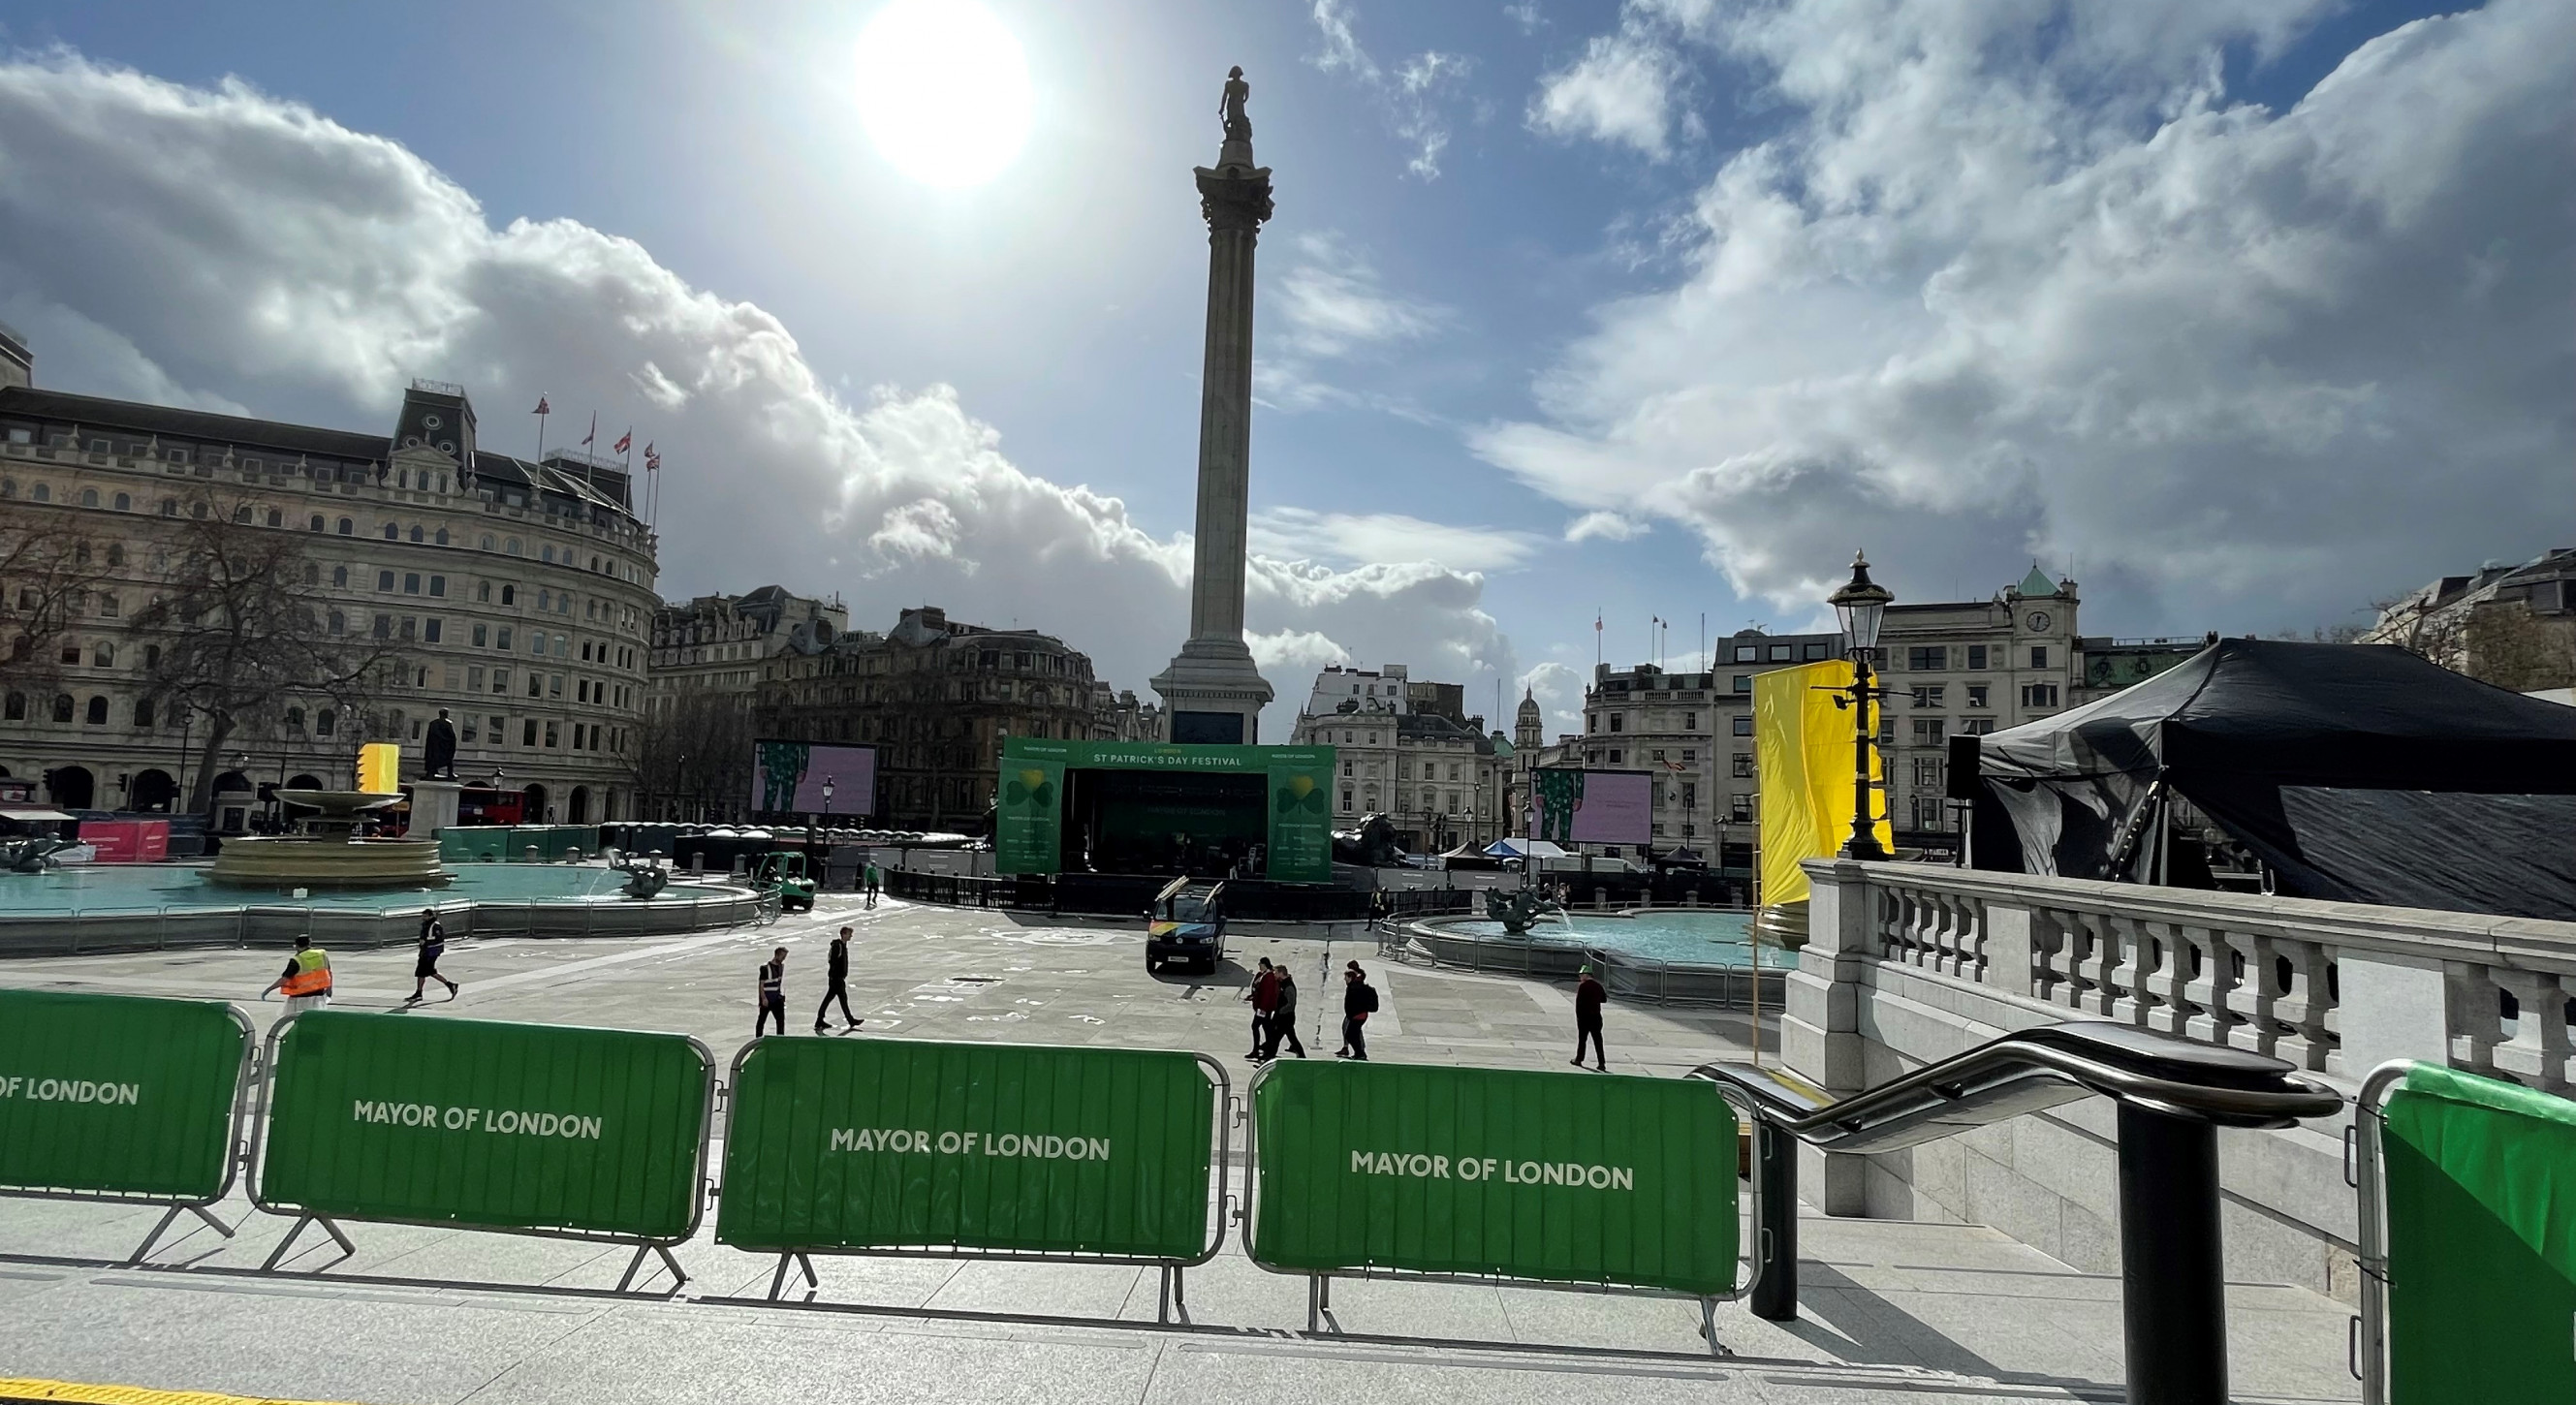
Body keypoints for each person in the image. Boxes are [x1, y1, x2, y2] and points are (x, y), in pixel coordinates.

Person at [262, 936, 332, 1014]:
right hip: (318, 996)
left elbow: (284, 979)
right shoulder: (321, 955)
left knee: (298, 1020)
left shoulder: (297, 960)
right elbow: (329, 972)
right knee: (314, 1020)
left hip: (300, 998)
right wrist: (329, 989)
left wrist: (268, 990)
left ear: (297, 946)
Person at [406, 908, 458, 1005]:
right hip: (425, 951)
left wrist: (426, 941)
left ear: (430, 916)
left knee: (429, 971)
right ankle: (419, 992)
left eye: (425, 916)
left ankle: (450, 985)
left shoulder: (436, 925)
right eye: (423, 916)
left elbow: (439, 939)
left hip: (431, 952)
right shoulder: (426, 924)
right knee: (421, 972)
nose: (423, 918)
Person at [814, 927, 861, 1033]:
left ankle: (849, 1020)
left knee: (839, 999)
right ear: (843, 934)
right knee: (835, 999)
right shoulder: (838, 946)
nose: (851, 936)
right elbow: (833, 961)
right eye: (849, 934)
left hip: (838, 978)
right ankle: (820, 1020)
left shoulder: (842, 946)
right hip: (836, 978)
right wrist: (835, 975)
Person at [1261, 965, 1307, 1061]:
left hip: (1286, 1018)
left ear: (1281, 973)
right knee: (1277, 1037)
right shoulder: (1282, 984)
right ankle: (1269, 1056)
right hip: (1281, 1017)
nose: (1274, 974)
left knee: (1285, 1038)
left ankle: (1301, 1056)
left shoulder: (1289, 986)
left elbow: (1291, 1004)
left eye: (1276, 973)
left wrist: (1280, 1011)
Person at [1338, 961, 1377, 1061]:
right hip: (1356, 1015)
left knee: (1351, 1034)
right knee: (1352, 1034)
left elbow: (1355, 1002)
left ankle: (1360, 1053)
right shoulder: (1353, 986)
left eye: (1346, 977)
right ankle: (1359, 1053)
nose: (1344, 979)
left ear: (1350, 977)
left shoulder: (1355, 988)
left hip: (1358, 1015)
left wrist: (1352, 1013)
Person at [1573, 963, 1607, 1071]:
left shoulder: (1583, 986)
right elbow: (1604, 999)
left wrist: (1578, 1018)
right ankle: (1601, 1063)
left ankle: (1579, 1059)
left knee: (1582, 1040)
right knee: (1598, 1041)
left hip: (1584, 1018)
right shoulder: (1598, 986)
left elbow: (1579, 1003)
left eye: (1581, 975)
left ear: (1586, 975)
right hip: (1596, 1018)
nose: (1580, 977)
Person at [1243, 957, 1279, 1060]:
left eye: (1260, 964)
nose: (1259, 965)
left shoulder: (1269, 977)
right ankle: (1261, 1050)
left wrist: (1262, 1008)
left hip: (1264, 1009)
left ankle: (1260, 1050)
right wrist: (1252, 996)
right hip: (1261, 1007)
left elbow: (1267, 994)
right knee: (1265, 1028)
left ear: (1264, 964)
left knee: (1257, 1027)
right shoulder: (1261, 975)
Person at [755, 946, 788, 1038]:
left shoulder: (781, 967)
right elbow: (761, 985)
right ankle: (758, 1040)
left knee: (780, 1021)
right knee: (761, 1021)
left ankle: (780, 1040)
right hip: (767, 999)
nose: (783, 959)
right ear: (777, 955)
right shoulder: (765, 969)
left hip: (777, 999)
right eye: (782, 956)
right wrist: (763, 998)